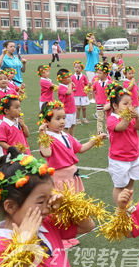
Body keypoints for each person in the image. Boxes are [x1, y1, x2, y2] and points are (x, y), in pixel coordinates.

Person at [0, 148, 95, 267]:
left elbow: (88, 226)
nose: (48, 208)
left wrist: (68, 204)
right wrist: (23, 246)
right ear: (11, 207)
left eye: (50, 198)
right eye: (41, 202)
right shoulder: (0, 249)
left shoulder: (47, 223)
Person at [37, 100, 105, 248]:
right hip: (59, 180)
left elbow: (80, 148)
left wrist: (95, 140)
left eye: (63, 117)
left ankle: (65, 236)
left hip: (72, 178)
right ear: (46, 121)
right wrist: (42, 134)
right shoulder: (47, 138)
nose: (62, 121)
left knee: (71, 208)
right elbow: (46, 152)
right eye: (57, 118)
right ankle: (59, 238)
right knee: (61, 210)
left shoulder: (65, 135)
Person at [106, 84, 139, 206]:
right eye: (125, 104)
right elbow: (121, 127)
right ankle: (120, 210)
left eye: (130, 103)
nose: (129, 106)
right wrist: (128, 117)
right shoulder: (112, 119)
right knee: (119, 186)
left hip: (133, 156)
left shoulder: (131, 117)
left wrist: (137, 116)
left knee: (130, 185)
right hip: (119, 159)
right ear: (115, 106)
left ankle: (128, 205)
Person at [56, 69, 76, 135]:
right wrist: (70, 83)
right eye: (67, 77)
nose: (70, 78)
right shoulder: (61, 87)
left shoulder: (67, 86)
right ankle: (65, 138)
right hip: (67, 111)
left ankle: (71, 138)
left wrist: (70, 84)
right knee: (66, 127)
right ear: (61, 79)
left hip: (72, 109)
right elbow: (69, 92)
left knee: (73, 125)